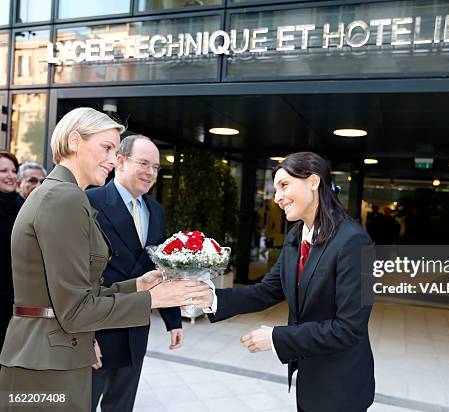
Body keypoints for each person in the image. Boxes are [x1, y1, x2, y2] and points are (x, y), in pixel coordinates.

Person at [0, 107, 212, 412]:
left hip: (43, 354)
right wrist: (152, 298)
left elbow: (76, 293)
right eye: (107, 147)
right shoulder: (66, 198)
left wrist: (137, 286)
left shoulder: (57, 193)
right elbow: (75, 310)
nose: (114, 160)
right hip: (50, 363)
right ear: (75, 141)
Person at [205, 152, 375, 412]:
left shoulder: (355, 242)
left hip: (342, 386)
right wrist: (212, 298)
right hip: (309, 378)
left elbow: (349, 328)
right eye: (275, 189)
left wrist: (276, 338)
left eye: (284, 185)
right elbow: (268, 290)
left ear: (314, 182)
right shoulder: (296, 235)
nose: (277, 198)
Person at [87, 135, 182, 412]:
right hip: (98, 326)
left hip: (136, 326)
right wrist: (85, 338)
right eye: (144, 163)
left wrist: (173, 319)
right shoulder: (89, 201)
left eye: (156, 167)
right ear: (120, 161)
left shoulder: (156, 210)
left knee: (122, 405)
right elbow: (76, 277)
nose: (151, 173)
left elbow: (161, 268)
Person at [0, 151, 20, 356]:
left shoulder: (21, 205)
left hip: (16, 297)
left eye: (14, 170)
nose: (10, 175)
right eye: (3, 170)